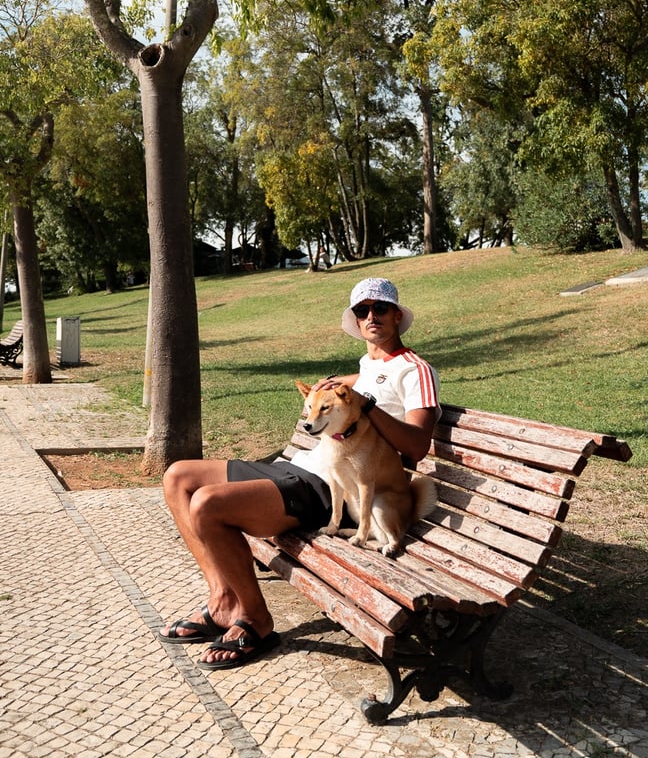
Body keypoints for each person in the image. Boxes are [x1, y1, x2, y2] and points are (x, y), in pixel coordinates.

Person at [158, 276, 440, 669]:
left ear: (396, 315)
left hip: (331, 487)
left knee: (207, 503)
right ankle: (222, 600)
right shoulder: (369, 365)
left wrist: (367, 405)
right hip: (301, 467)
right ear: (356, 320)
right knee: (178, 477)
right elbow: (360, 384)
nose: (371, 316)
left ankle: (255, 619)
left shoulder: (416, 370)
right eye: (362, 311)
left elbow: (417, 446)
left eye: (380, 308)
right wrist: (331, 387)